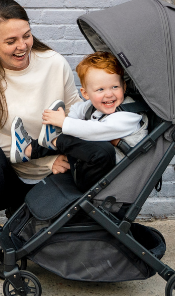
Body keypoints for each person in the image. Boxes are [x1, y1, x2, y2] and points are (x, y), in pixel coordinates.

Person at [0, 0, 83, 286]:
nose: (22, 46)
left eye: (27, 35)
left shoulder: (53, 63)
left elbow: (74, 111)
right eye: (11, 41)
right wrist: (47, 160)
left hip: (51, 178)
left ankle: (27, 225)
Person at [9, 51, 148, 191]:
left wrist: (64, 123)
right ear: (86, 93)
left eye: (115, 87)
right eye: (100, 89)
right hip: (84, 165)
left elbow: (95, 130)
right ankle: (27, 149)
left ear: (124, 87)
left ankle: (52, 140)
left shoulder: (129, 116)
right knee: (75, 130)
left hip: (107, 176)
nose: (109, 94)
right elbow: (77, 109)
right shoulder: (93, 106)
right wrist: (67, 120)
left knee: (100, 148)